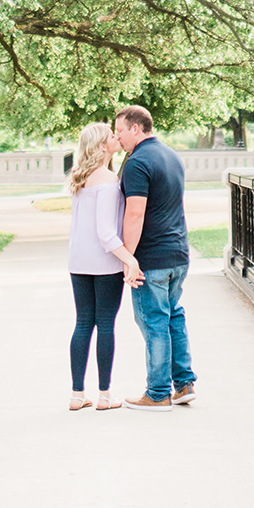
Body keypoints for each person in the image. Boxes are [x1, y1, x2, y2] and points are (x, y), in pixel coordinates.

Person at [115, 106, 197, 412]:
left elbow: (135, 214)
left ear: (136, 128)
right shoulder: (171, 155)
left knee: (154, 321)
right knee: (173, 315)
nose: (118, 137)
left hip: (152, 256)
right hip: (179, 253)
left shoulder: (137, 162)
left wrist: (128, 257)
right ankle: (184, 384)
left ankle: (158, 392)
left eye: (120, 130)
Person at [67, 121, 144, 411]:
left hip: (78, 262)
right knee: (106, 325)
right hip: (104, 263)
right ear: (102, 146)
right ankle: (104, 395)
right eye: (112, 136)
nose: (116, 137)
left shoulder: (78, 177)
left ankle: (77, 394)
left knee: (83, 323)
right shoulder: (109, 182)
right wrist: (130, 259)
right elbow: (105, 233)